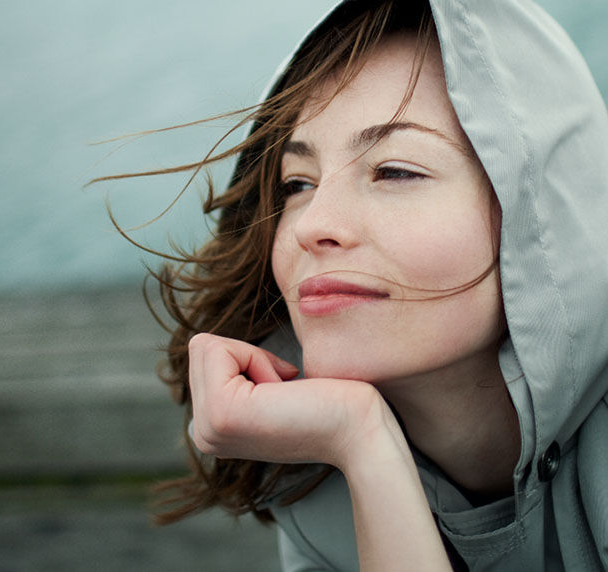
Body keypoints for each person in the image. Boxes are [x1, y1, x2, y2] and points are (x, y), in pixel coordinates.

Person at [102, 0, 608, 569]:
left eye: (394, 171)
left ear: (543, 210)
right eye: (297, 183)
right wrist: (362, 446)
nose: (313, 224)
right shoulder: (311, 481)